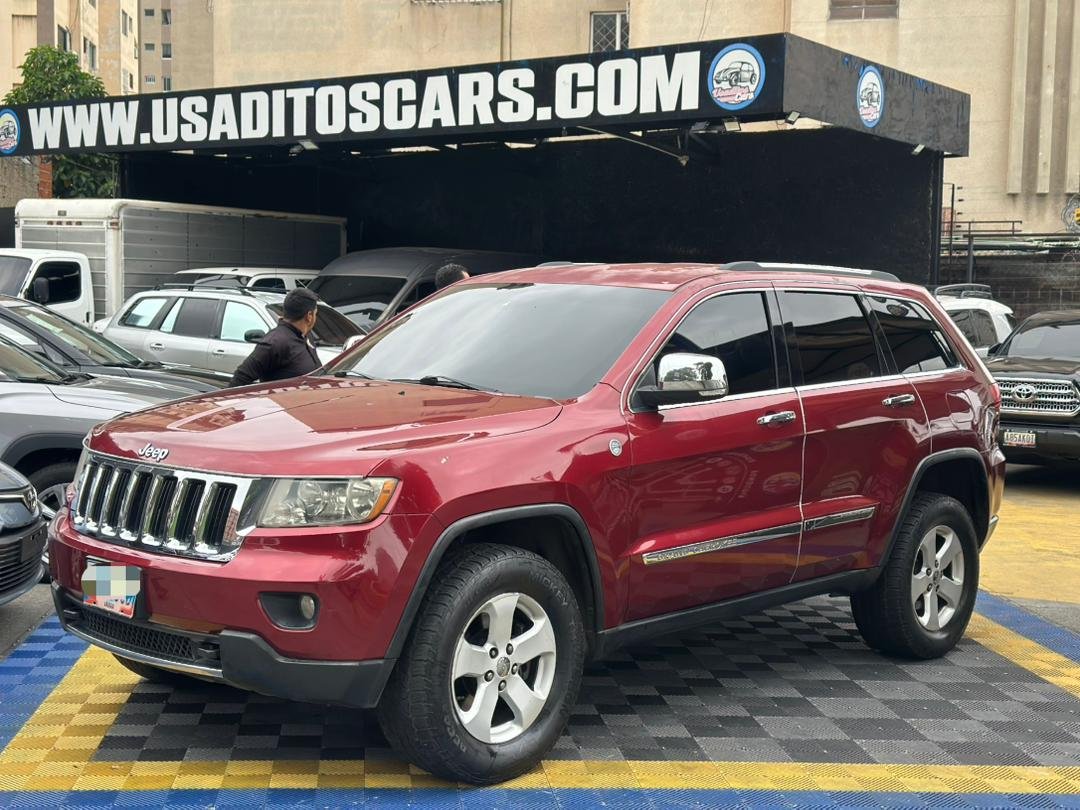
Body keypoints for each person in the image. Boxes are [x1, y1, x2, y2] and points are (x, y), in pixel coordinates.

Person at [230, 287, 322, 386]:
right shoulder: (275, 343)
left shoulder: (306, 337)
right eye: (315, 314)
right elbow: (240, 379)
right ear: (309, 316)